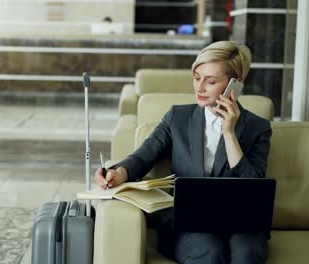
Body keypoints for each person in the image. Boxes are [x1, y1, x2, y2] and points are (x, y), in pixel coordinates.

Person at [94, 41, 271, 264]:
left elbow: (254, 189)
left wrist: (229, 134)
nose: (200, 88)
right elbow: (143, 156)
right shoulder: (177, 118)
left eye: (211, 81)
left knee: (245, 255)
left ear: (235, 84)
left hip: (243, 225)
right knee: (209, 252)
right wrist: (119, 172)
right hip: (189, 223)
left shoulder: (258, 128)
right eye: (197, 78)